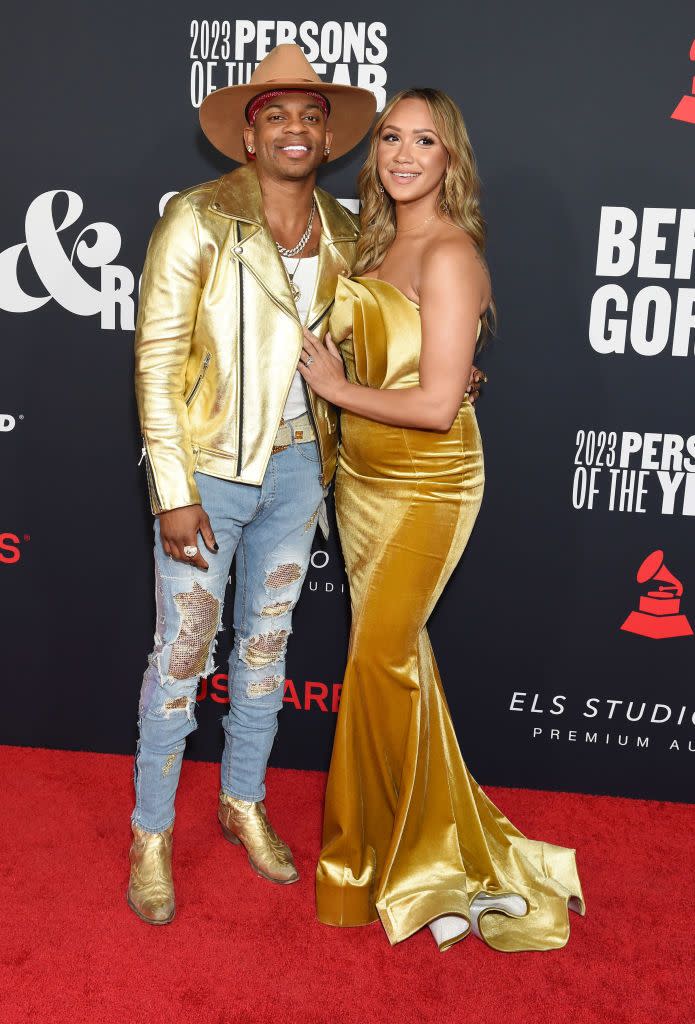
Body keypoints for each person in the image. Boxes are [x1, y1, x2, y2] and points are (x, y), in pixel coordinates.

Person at [300, 89, 585, 952]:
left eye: (424, 140)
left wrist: (333, 386)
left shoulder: (451, 254)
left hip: (426, 485)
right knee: (399, 666)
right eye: (390, 136)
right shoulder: (375, 241)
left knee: (377, 657)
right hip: (360, 480)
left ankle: (364, 869)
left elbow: (430, 406)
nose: (402, 153)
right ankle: (420, 841)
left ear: (449, 159)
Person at [127, 44, 378, 925]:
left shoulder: (348, 232)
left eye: (312, 115)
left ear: (330, 133)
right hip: (207, 475)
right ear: (248, 133)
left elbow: (385, 338)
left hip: (302, 470)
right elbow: (157, 360)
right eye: (278, 114)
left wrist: (449, 374)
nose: (297, 128)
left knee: (265, 653)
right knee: (183, 657)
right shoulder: (197, 219)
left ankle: (242, 803)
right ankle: (151, 833)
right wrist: (171, 488)